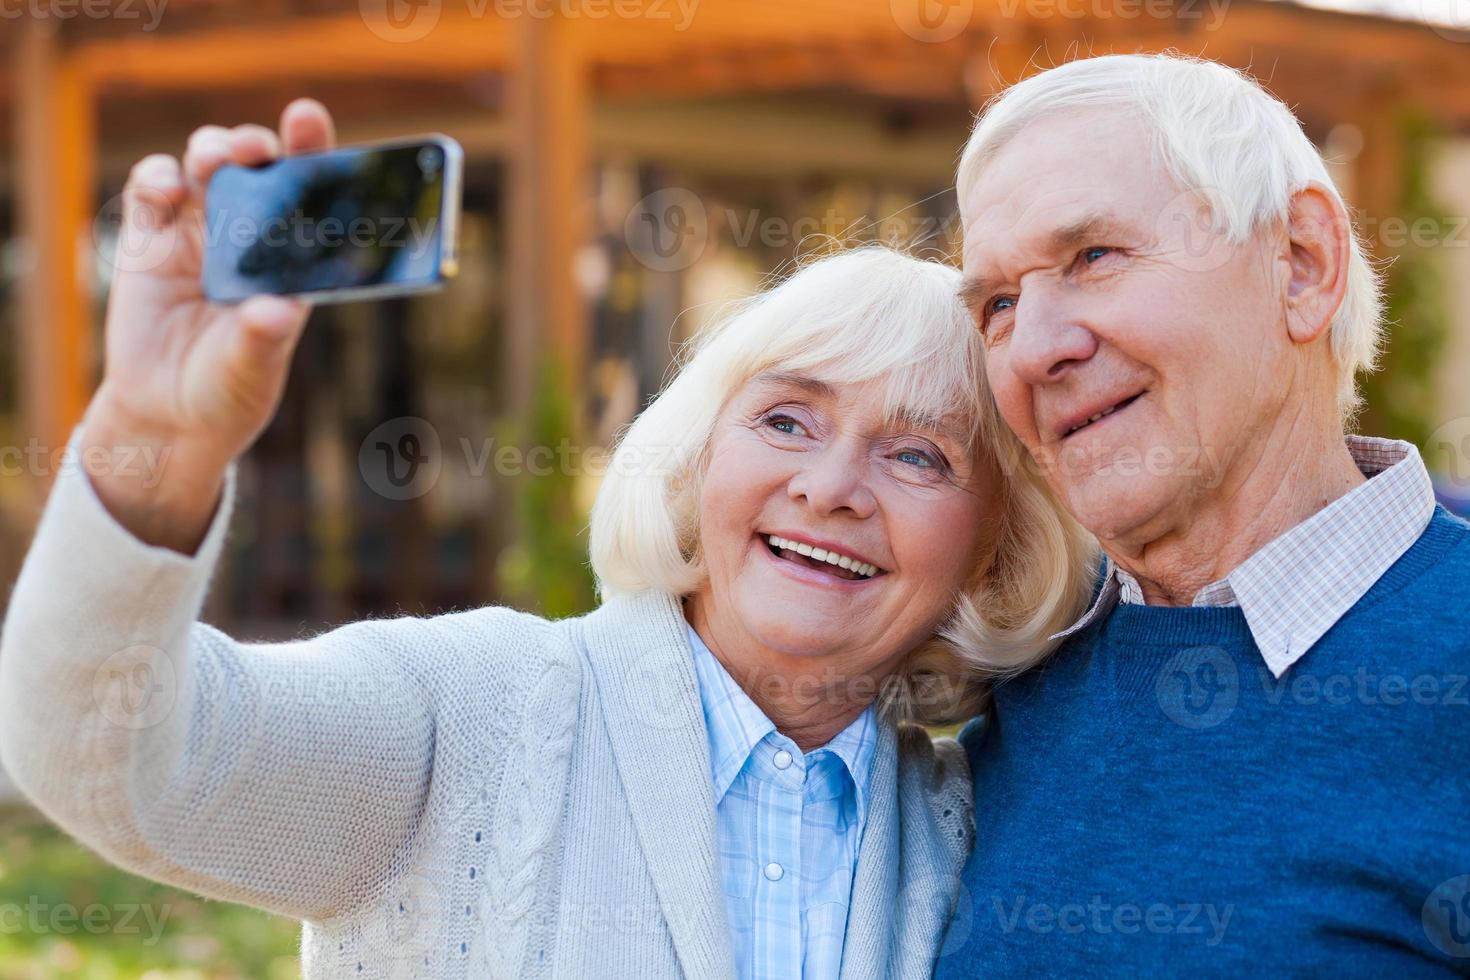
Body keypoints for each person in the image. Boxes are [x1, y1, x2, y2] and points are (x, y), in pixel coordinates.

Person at [0, 100, 1094, 979]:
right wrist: (157, 435)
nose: (831, 485)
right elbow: (115, 760)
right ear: (694, 460)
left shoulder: (973, 823)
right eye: (785, 419)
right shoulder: (467, 710)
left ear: (995, 549)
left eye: (919, 456)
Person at [936, 53, 1470, 975]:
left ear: (1301, 265)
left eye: (1095, 256)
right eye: (999, 303)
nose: (1033, 351)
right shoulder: (1011, 685)